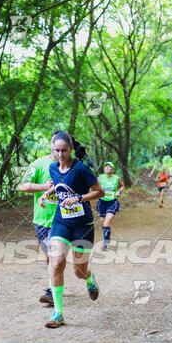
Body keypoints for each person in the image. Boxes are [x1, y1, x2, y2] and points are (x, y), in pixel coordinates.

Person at [39, 131, 104, 328]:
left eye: (64, 150)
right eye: (56, 150)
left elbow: (100, 191)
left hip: (82, 225)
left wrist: (79, 198)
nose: (60, 154)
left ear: (71, 149)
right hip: (61, 222)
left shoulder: (82, 169)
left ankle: (90, 280)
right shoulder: (52, 167)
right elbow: (60, 185)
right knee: (57, 262)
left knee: (79, 271)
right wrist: (46, 193)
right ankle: (58, 313)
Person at [18, 132, 61, 306]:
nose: (58, 150)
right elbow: (23, 185)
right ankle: (57, 283)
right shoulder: (38, 164)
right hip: (42, 220)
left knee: (54, 254)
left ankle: (51, 291)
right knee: (49, 256)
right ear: (50, 144)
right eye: (55, 144)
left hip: (63, 219)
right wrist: (44, 187)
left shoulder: (71, 166)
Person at [97, 161, 124, 250]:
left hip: (112, 202)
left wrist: (119, 191)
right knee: (102, 223)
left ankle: (105, 243)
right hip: (102, 202)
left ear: (113, 169)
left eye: (110, 167)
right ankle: (107, 235)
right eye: (106, 167)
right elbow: (93, 186)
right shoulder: (100, 177)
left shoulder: (117, 178)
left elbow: (122, 186)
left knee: (106, 222)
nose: (107, 168)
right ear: (104, 169)